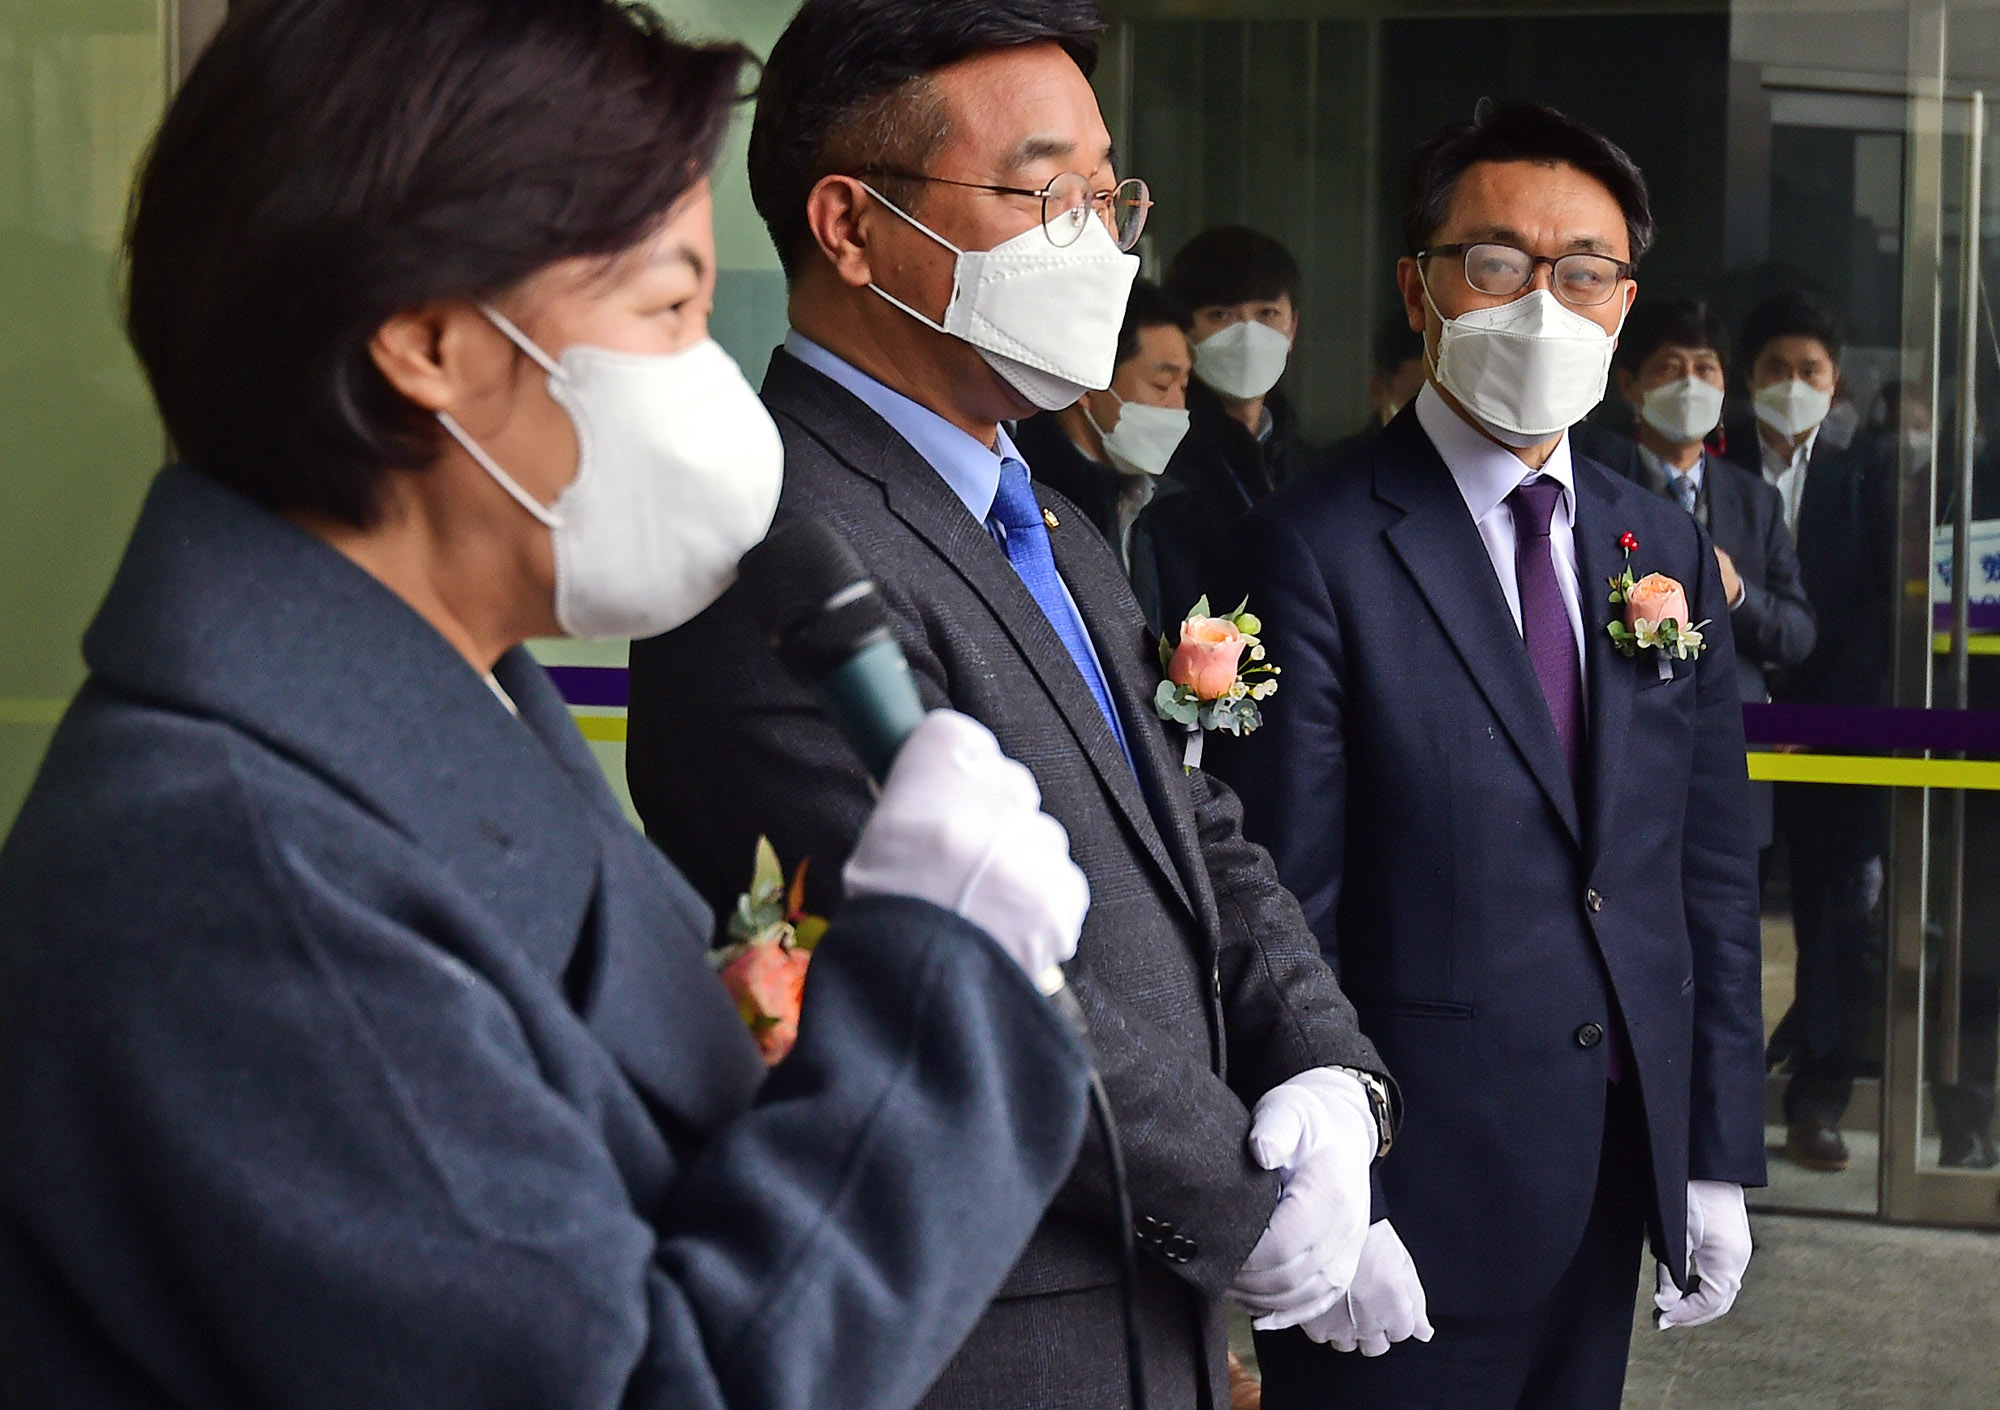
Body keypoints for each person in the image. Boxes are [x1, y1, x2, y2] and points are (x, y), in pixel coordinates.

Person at [0, 3, 1105, 1405]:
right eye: (665, 309)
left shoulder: (458, 712)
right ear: (428, 347)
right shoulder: (231, 860)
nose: (708, 379)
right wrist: (940, 998)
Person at [627, 3, 1398, 1406]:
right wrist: (1248, 1204)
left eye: (1112, 198)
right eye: (1048, 195)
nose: (1100, 245)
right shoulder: (773, 541)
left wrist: (1333, 1078)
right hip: (991, 1333)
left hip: (1134, 1326)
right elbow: (960, 969)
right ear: (851, 228)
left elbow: (1196, 826)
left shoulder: (1042, 510)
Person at [1213, 100, 1766, 1410]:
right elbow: (1277, 897)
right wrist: (1344, 1194)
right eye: (1497, 262)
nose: (1542, 303)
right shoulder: (1314, 547)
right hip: (1407, 1198)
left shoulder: (1659, 549)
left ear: (1621, 302)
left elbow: (1706, 867)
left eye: (1583, 271)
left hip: (1606, 1182)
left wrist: (1713, 1152)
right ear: (1420, 289)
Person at [1725, 289, 1896, 1173]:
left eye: (1811, 372)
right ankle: (1727, 1093)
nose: (1794, 385)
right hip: (1737, 726)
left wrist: (1824, 716)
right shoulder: (1713, 467)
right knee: (1731, 909)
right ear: (1747, 379)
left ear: (1836, 385)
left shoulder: (1869, 472)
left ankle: (1818, 1100)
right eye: (1777, 370)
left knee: (1837, 914)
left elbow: (1880, 608)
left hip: (1840, 726)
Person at [1610, 297, 1817, 848]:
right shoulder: (1594, 487)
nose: (1690, 384)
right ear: (1630, 385)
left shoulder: (1756, 501)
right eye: (1670, 368)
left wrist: (1738, 595)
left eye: (1705, 369)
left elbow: (1797, 632)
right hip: (1621, 757)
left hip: (1731, 754)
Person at [1153, 226, 1322, 623]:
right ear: (1183, 329)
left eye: (1267, 313)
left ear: (1292, 326)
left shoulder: (1311, 465)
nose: (1248, 334)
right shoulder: (1160, 461)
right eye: (1222, 316)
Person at [1013, 278, 1194, 632]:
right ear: (1089, 381)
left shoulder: (1171, 506)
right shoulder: (1026, 497)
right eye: (1162, 385)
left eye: (1184, 386)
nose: (1178, 406)